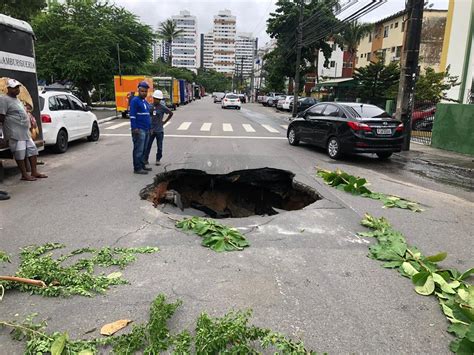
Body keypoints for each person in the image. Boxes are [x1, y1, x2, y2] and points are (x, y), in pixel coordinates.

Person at [0, 79, 47, 181]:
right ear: (8, 89)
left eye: (18, 87)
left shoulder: (17, 99)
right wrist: (3, 135)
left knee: (32, 150)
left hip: (25, 132)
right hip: (14, 132)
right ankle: (24, 174)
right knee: (19, 153)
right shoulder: (4, 99)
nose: (17, 90)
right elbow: (1, 117)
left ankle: (34, 172)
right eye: (14, 88)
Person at [144, 90, 173, 166]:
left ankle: (158, 159)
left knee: (159, 146)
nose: (156, 100)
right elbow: (147, 115)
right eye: (155, 98)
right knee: (148, 145)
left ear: (160, 100)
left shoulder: (162, 107)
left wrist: (165, 122)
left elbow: (171, 113)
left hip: (159, 130)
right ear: (153, 98)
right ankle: (145, 159)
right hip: (151, 130)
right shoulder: (150, 106)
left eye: (158, 99)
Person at [129, 81, 152, 174]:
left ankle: (142, 165)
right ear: (138, 90)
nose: (144, 93)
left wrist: (150, 128)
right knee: (138, 149)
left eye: (146, 91)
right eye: (142, 91)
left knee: (144, 149)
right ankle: (137, 168)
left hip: (146, 129)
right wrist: (134, 128)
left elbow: (147, 115)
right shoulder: (135, 101)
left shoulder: (145, 102)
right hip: (139, 129)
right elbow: (132, 115)